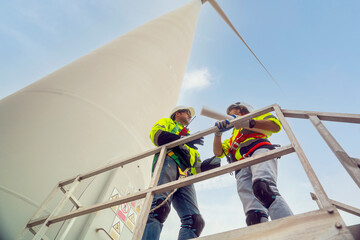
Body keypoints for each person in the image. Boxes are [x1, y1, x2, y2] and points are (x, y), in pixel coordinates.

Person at [142, 105, 221, 240]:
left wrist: (209, 164)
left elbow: (195, 167)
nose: (190, 116)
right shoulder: (167, 123)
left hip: (186, 174)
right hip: (169, 161)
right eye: (188, 113)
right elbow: (156, 136)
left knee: (195, 221)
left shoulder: (190, 140)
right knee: (159, 208)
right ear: (177, 114)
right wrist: (182, 139)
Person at [213, 102, 293, 226]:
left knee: (263, 188)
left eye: (232, 113)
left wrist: (245, 122)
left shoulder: (258, 116)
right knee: (253, 214)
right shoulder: (234, 136)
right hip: (240, 167)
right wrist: (218, 133)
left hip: (258, 151)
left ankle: (291, 227)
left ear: (240, 110)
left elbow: (275, 126)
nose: (228, 116)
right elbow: (218, 152)